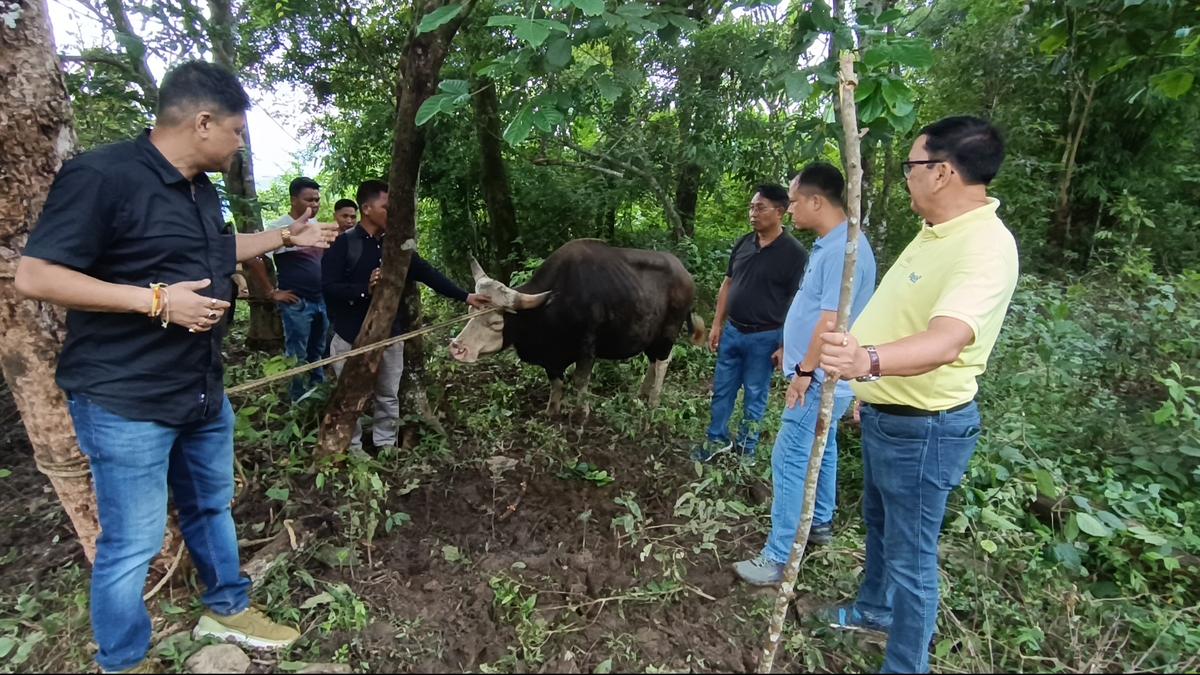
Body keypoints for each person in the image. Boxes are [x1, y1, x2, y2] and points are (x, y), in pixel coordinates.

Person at [14, 60, 336, 674]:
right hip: (125, 398)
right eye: (237, 131)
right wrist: (157, 300)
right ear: (204, 122)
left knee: (211, 507)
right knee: (130, 543)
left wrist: (284, 238)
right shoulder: (102, 176)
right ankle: (123, 660)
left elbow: (215, 250)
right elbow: (35, 275)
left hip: (199, 389)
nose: (240, 144)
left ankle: (227, 607)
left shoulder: (196, 188)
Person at [817, 116, 1017, 673]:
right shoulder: (935, 231)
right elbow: (904, 316)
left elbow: (947, 340)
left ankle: (905, 665)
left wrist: (868, 361)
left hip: (924, 429)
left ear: (943, 172)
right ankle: (875, 610)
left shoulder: (984, 246)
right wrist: (870, 388)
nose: (907, 177)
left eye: (912, 166)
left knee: (912, 559)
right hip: (891, 411)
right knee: (881, 525)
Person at [734, 163, 877, 585]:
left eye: (794, 202)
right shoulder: (834, 245)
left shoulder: (844, 252)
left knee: (789, 457)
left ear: (817, 201)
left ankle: (778, 557)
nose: (791, 209)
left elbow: (830, 323)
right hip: (824, 375)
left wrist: (805, 371)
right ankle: (820, 523)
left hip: (819, 377)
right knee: (823, 444)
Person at [321, 180, 486, 450]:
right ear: (367, 208)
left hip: (391, 335)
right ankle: (352, 449)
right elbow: (328, 287)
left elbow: (427, 273)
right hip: (350, 336)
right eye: (387, 207)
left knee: (388, 394)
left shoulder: (397, 245)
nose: (393, 213)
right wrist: (365, 289)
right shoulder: (343, 245)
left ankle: (385, 445)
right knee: (349, 396)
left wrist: (465, 296)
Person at [693, 184, 808, 462]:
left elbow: (797, 303)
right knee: (722, 390)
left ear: (780, 212)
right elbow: (728, 283)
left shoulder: (795, 254)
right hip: (733, 331)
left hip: (765, 337)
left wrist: (784, 344)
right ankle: (716, 439)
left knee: (755, 394)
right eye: (751, 207)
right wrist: (717, 324)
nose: (753, 213)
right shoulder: (744, 243)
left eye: (760, 208)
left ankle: (747, 449)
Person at [245, 177, 328, 401]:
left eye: (317, 200)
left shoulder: (316, 226)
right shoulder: (279, 228)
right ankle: (298, 400)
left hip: (321, 300)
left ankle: (318, 391)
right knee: (297, 353)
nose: (314, 204)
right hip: (297, 302)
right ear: (293, 199)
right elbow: (254, 257)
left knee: (318, 350)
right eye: (309, 199)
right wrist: (271, 291)